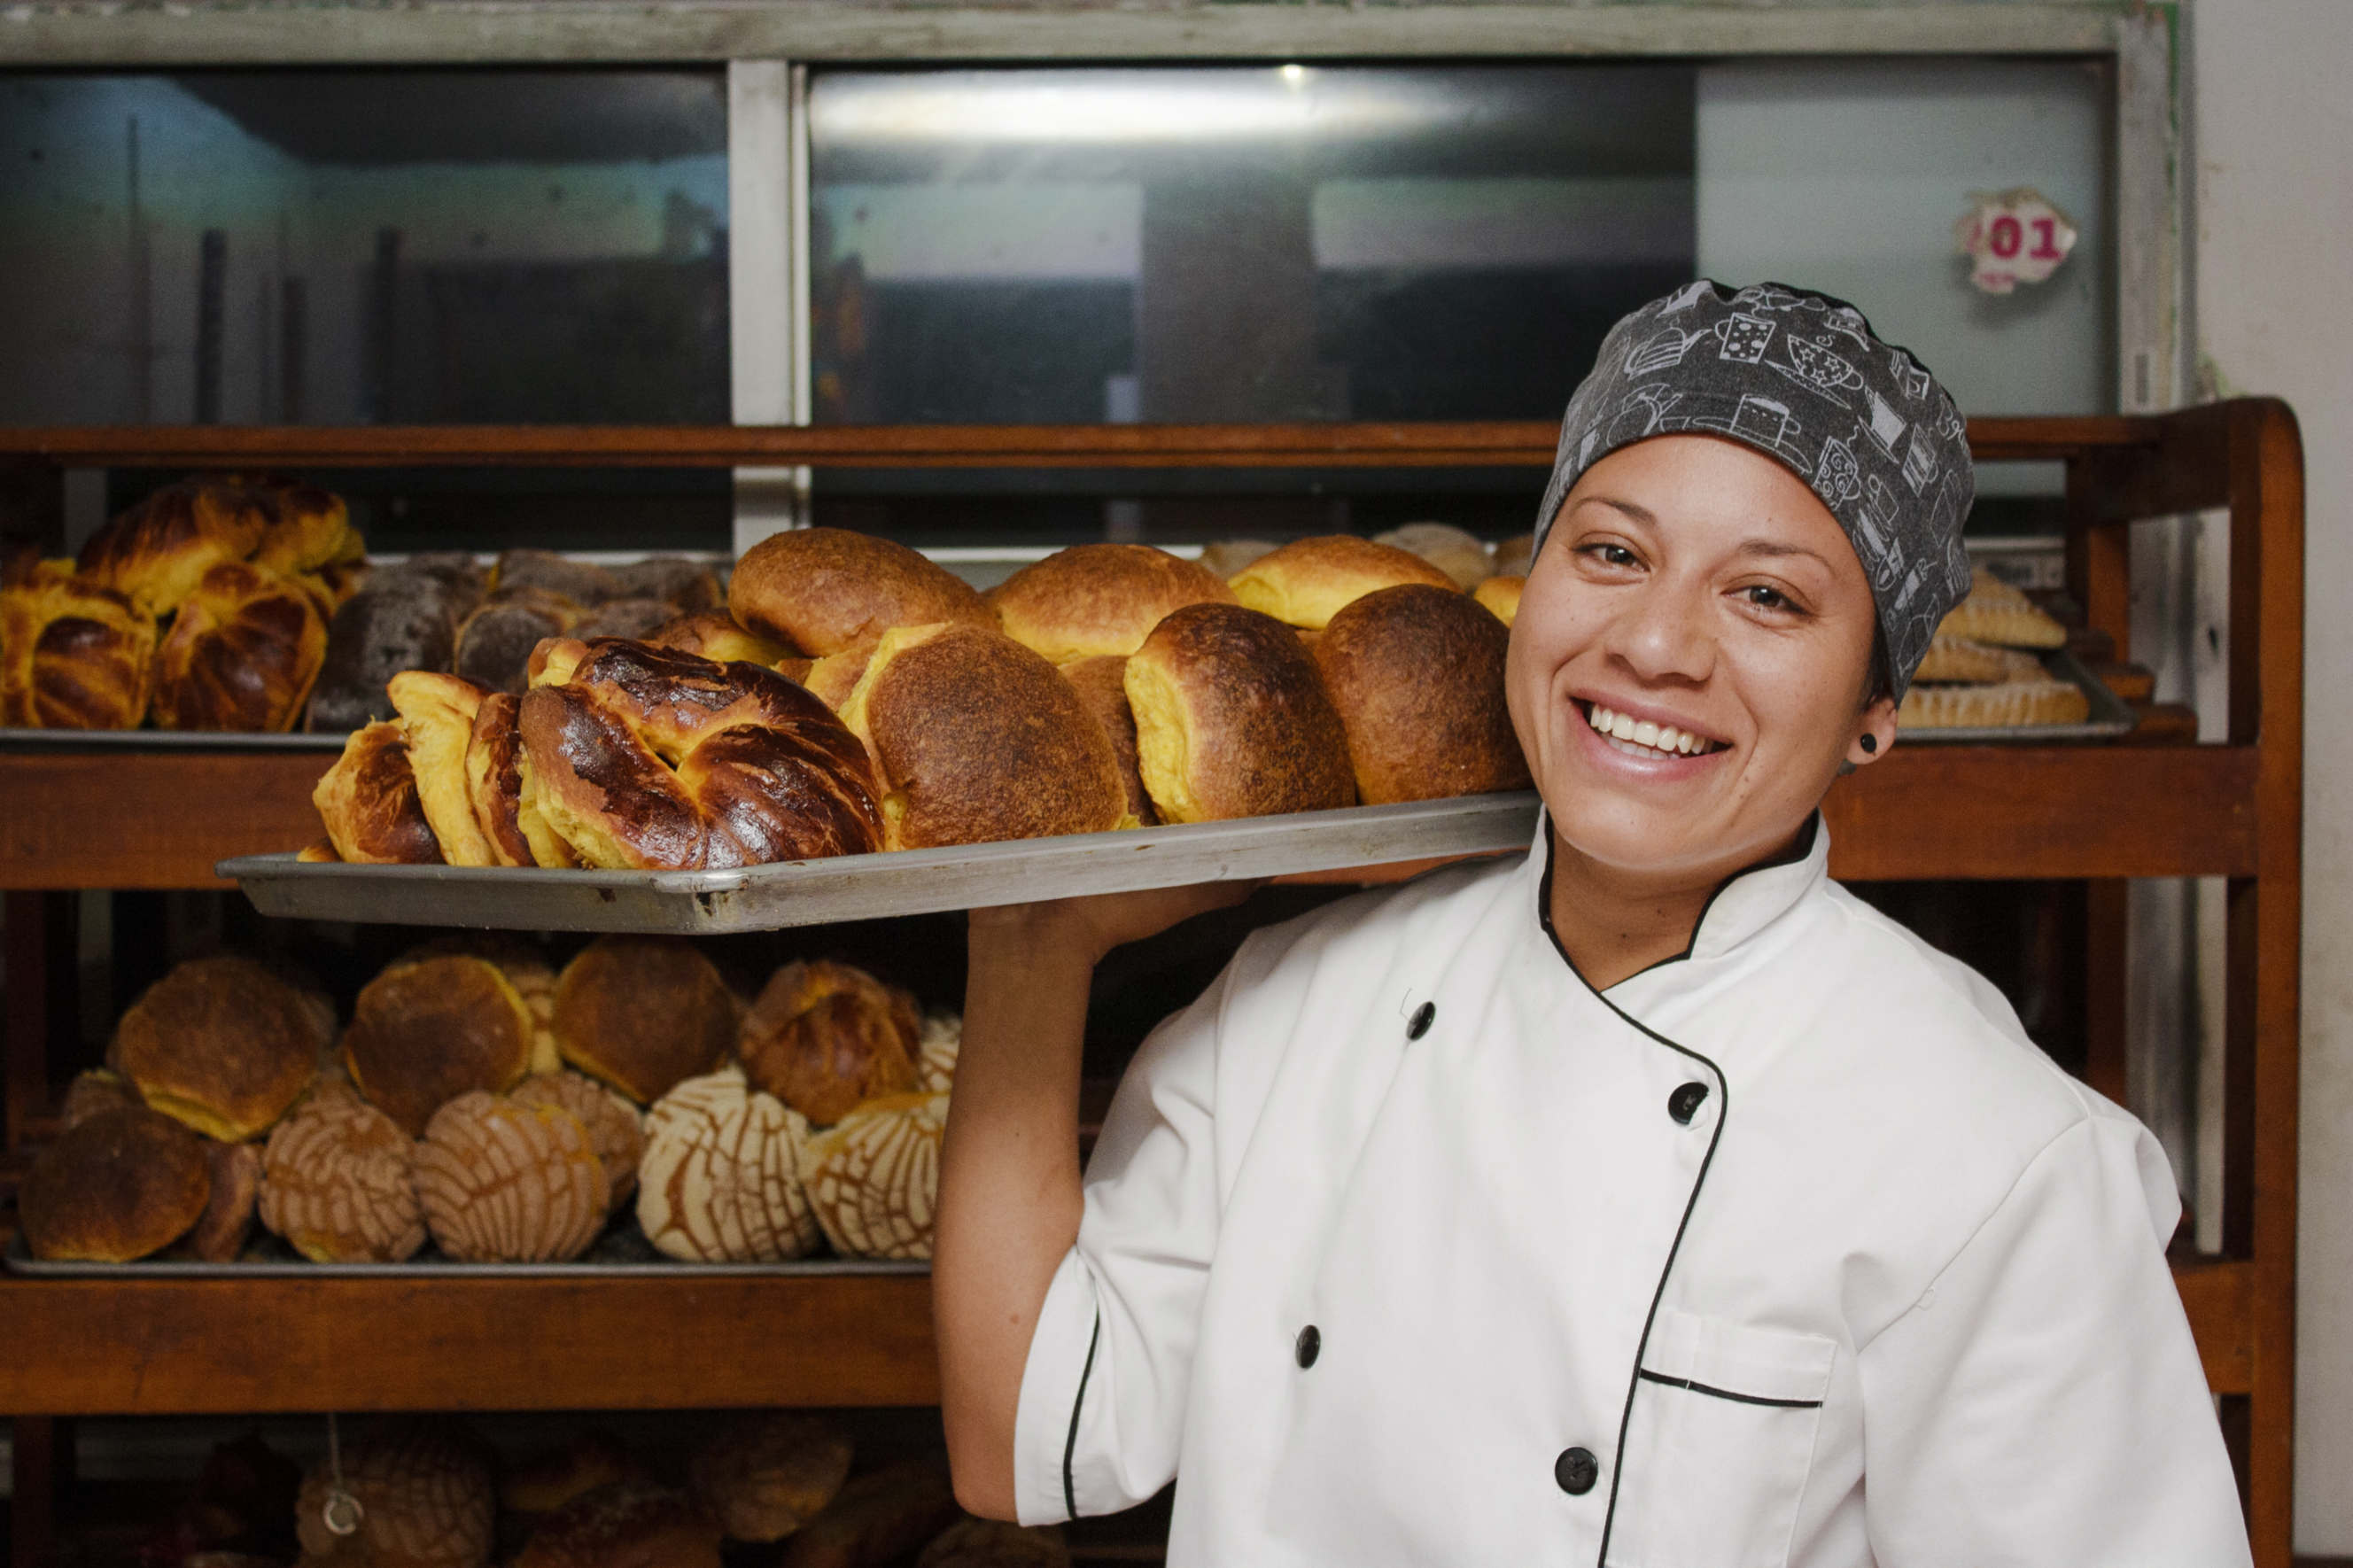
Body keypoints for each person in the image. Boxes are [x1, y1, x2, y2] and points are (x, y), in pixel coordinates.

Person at [934, 281, 2249, 1566]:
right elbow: (1022, 1439)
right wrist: (1034, 941)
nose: (1659, 645)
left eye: (1769, 596)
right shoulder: (1294, 1008)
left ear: (1874, 713)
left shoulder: (1999, 1156)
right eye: (1613, 552)